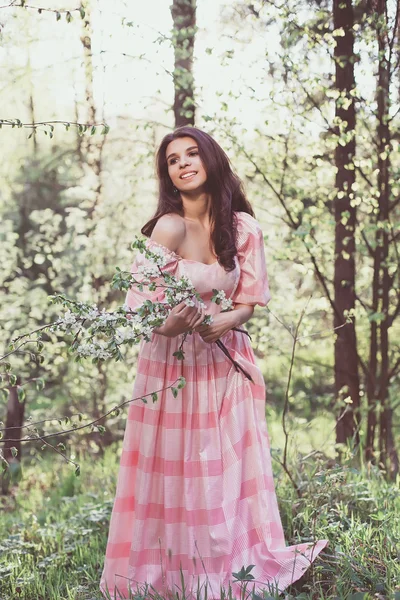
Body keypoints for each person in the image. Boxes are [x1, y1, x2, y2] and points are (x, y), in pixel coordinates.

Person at [100, 126, 327, 599]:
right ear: (168, 174)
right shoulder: (168, 226)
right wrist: (171, 324)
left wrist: (225, 320)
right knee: (178, 470)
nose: (183, 163)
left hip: (226, 359)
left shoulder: (241, 227)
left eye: (191, 154)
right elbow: (139, 308)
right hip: (172, 364)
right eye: (172, 160)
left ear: (210, 159)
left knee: (224, 466)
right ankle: (175, 571)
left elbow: (249, 301)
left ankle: (229, 565)